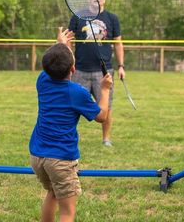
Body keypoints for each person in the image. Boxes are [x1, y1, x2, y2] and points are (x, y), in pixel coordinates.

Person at [29, 27, 113, 222]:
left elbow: (54, 62)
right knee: (67, 211)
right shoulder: (76, 92)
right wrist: (105, 90)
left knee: (53, 193)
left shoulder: (42, 81)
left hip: (37, 156)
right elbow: (101, 116)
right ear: (73, 70)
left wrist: (60, 43)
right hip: (60, 160)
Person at [68, 0, 124, 147]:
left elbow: (118, 43)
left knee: (107, 107)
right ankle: (71, 138)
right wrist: (69, 62)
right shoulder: (77, 17)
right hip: (79, 70)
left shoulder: (112, 18)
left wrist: (121, 66)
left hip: (103, 71)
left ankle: (106, 139)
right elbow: (69, 41)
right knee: (72, 106)